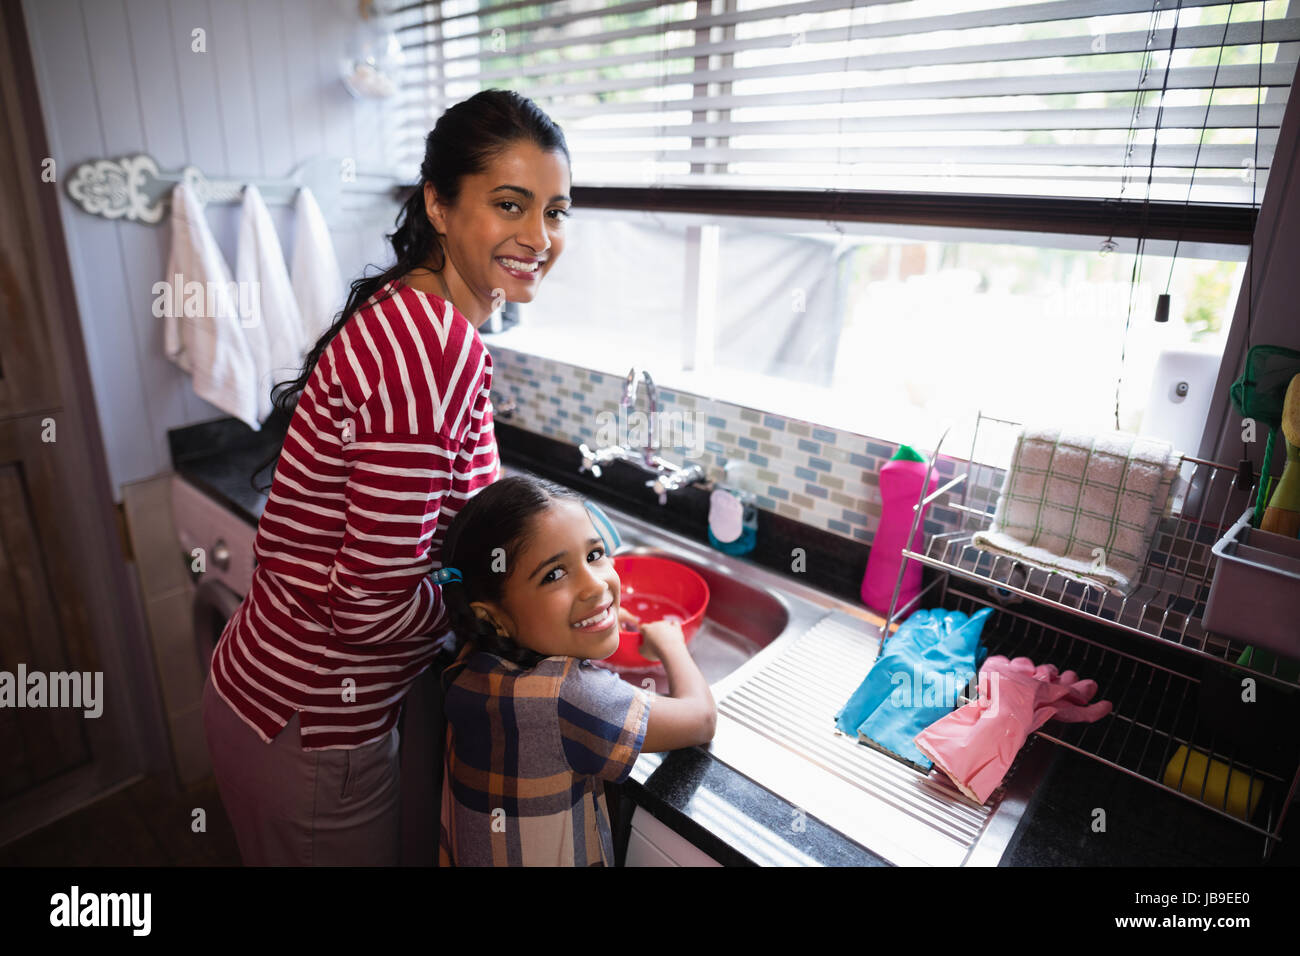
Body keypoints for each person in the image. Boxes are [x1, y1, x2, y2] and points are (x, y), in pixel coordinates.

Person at [201, 89, 571, 865]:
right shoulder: (435, 345)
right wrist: (489, 620)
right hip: (313, 724)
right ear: (438, 204)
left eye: (556, 211)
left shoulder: (411, 310)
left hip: (272, 699)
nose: (539, 236)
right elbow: (369, 606)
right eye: (511, 204)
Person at [435, 475, 717, 866]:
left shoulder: (473, 656)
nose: (595, 586)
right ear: (493, 617)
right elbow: (701, 719)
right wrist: (672, 644)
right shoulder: (569, 700)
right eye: (554, 575)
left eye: (594, 555)